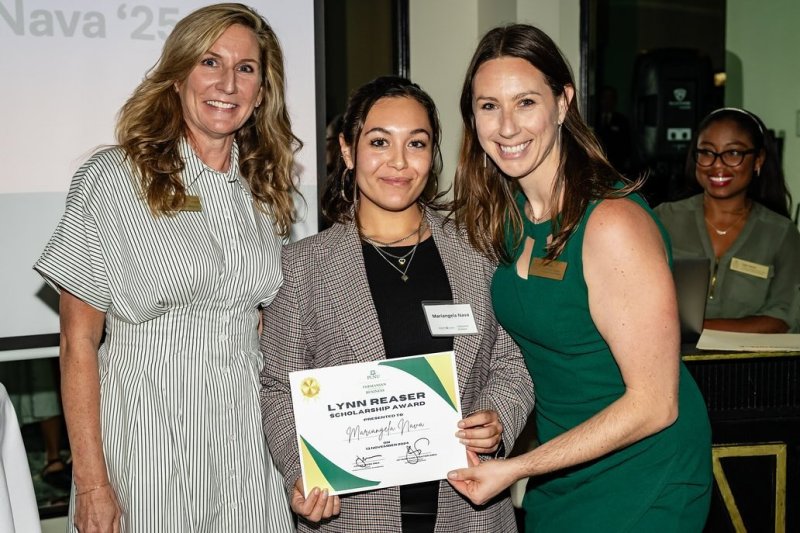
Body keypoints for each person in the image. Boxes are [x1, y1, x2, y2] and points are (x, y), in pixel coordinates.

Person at [34, 4, 297, 532]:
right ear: (178, 77)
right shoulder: (112, 178)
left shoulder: (265, 193)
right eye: (210, 62)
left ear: (261, 91)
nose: (227, 82)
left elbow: (264, 330)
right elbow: (77, 342)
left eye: (246, 68)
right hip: (147, 448)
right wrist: (91, 484)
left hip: (249, 451)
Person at [446, 24, 712, 531]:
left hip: (646, 471)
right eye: (488, 106)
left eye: (525, 103)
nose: (506, 127)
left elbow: (655, 405)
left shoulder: (612, 222)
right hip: (565, 466)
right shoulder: (509, 213)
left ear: (563, 102)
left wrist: (519, 468)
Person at [260, 76, 534, 532]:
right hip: (354, 517)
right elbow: (278, 389)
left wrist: (497, 418)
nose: (399, 162)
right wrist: (301, 472)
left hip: (469, 514)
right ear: (348, 151)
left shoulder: (479, 251)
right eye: (380, 141)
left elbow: (511, 363)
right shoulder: (302, 265)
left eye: (418, 143)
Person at [655, 108, 800, 333]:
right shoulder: (664, 219)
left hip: (750, 366)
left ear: (758, 160)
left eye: (733, 153)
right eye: (706, 152)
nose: (717, 164)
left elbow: (783, 318)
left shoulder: (780, 233)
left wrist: (698, 329)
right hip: (671, 361)